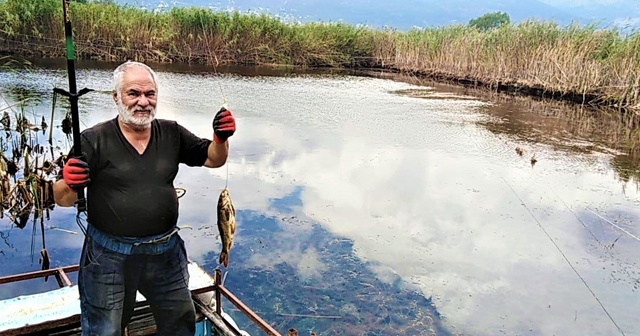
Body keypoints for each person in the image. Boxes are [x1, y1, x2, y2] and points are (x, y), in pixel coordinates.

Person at [53, 60, 236, 336]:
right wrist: (69, 182)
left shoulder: (172, 132)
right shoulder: (93, 140)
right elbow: (62, 198)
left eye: (150, 94)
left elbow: (213, 158)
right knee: (105, 329)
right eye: (133, 93)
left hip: (165, 252)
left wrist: (220, 138)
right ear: (116, 97)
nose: (143, 102)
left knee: (180, 322)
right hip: (108, 256)